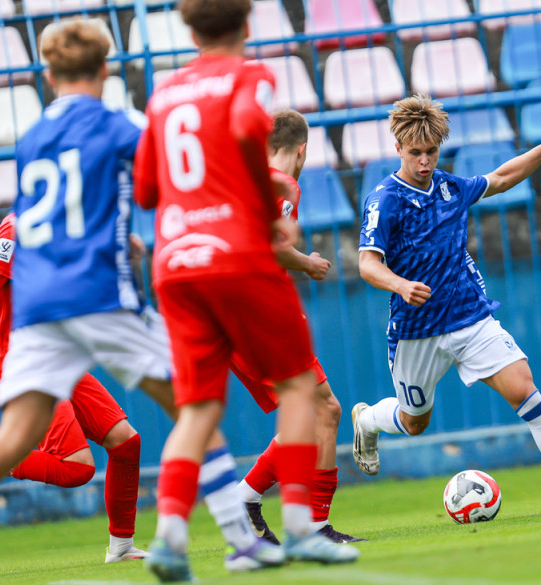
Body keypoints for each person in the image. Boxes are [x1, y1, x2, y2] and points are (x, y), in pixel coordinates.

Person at [0, 19, 279, 585]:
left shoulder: (33, 139)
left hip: (40, 313)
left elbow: (52, 213)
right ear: (106, 70)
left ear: (49, 76)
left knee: (34, 437)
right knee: (194, 407)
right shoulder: (120, 125)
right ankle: (241, 540)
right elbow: (150, 189)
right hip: (98, 297)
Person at [132, 0, 359, 580]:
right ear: (247, 25)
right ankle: (303, 528)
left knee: (198, 409)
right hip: (236, 255)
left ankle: (169, 539)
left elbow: (147, 190)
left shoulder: (163, 95)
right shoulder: (248, 77)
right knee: (302, 391)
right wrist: (268, 206)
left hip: (175, 264)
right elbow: (243, 134)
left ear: (189, 29)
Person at [351, 94, 541, 511]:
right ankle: (369, 420)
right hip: (416, 330)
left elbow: (501, 177)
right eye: (415, 153)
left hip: (469, 316)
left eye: (431, 152)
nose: (424, 161)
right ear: (398, 149)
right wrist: (400, 285)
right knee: (414, 422)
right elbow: (367, 264)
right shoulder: (385, 199)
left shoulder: (450, 187)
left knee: (525, 390)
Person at [0, 212, 145, 563]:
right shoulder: (17, 228)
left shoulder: (70, 224)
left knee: (125, 442)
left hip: (59, 356)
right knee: (76, 467)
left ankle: (121, 548)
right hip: (34, 363)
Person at [230, 110, 363, 545]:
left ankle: (249, 500)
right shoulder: (283, 184)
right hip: (259, 313)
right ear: (302, 149)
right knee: (325, 410)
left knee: (313, 412)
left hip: (234, 312)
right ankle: (310, 524)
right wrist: (307, 262)